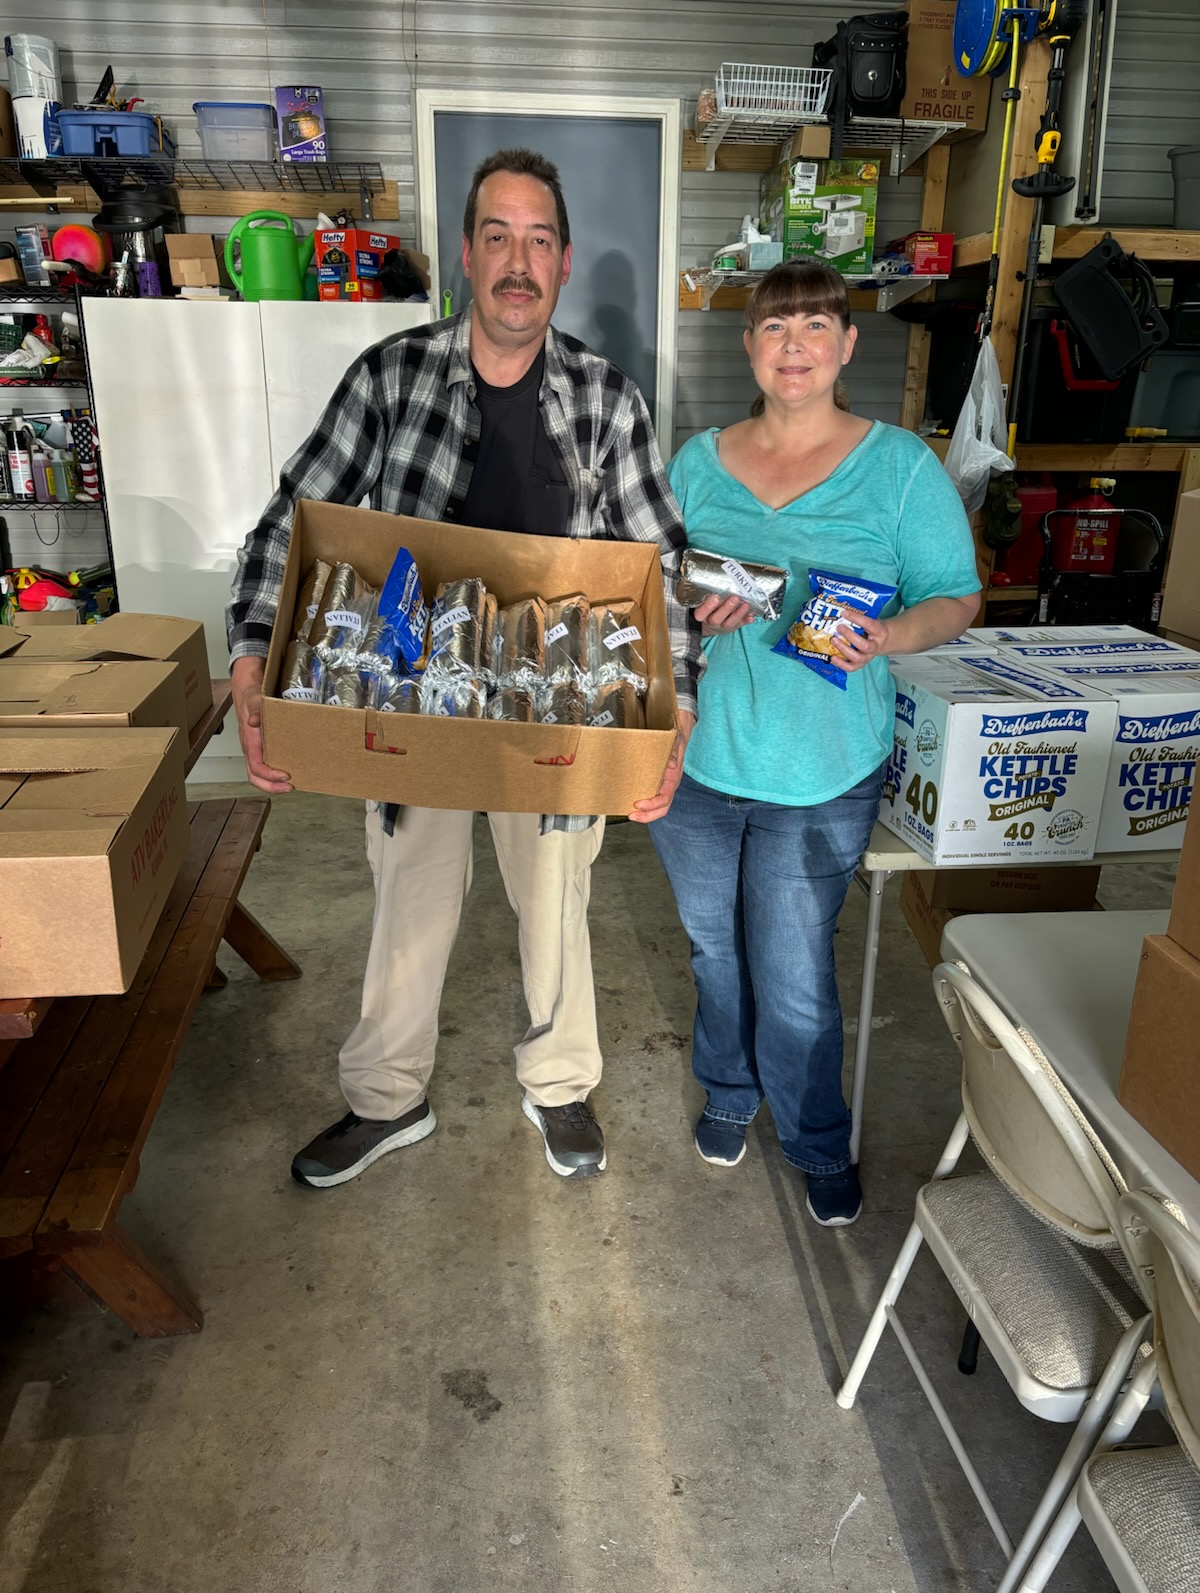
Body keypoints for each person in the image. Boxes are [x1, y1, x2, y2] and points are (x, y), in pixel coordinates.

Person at [226, 148, 700, 1188]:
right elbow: (291, 517)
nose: (518, 262)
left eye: (539, 240)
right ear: (467, 256)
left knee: (557, 903)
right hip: (410, 694)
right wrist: (255, 650)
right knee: (408, 901)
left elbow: (659, 566)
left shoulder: (607, 401)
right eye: (498, 236)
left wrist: (678, 713)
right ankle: (385, 1100)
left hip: (553, 704)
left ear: (564, 263)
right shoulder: (391, 378)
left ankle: (560, 1085)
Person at [648, 261, 980, 1227]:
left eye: (814, 326)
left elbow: (955, 596)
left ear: (845, 345)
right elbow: (652, 584)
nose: (793, 345)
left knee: (792, 970)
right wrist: (689, 606)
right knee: (716, 950)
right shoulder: (698, 461)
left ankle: (816, 1137)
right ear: (749, 347)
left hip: (823, 766)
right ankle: (730, 1089)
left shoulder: (900, 468)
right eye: (774, 327)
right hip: (701, 756)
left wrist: (891, 636)